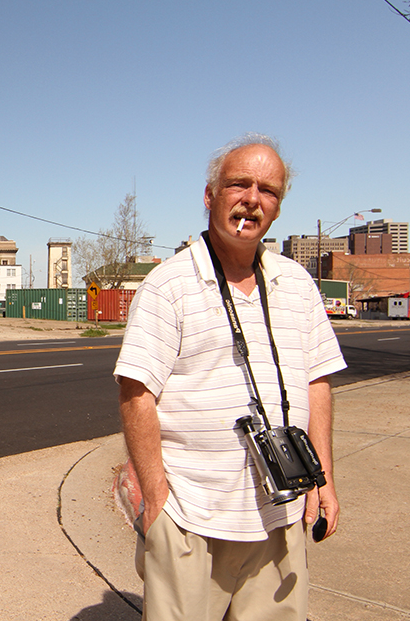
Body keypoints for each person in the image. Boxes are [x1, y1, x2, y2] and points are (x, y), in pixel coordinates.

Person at [114, 134, 346, 620]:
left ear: (278, 209)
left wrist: (322, 477)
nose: (252, 199)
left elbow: (317, 381)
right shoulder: (168, 285)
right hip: (192, 518)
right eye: (239, 184)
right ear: (209, 196)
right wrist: (157, 501)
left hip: (281, 516)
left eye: (268, 190)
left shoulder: (297, 284)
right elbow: (136, 394)